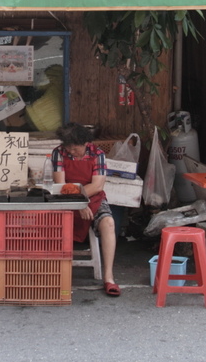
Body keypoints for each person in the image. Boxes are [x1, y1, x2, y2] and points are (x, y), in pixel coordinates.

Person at [51, 122, 120, 297]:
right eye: (68, 149)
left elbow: (97, 186)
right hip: (67, 199)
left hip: (94, 199)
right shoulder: (58, 153)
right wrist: (78, 203)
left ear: (85, 144)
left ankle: (109, 277)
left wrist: (83, 201)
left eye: (74, 149)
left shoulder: (98, 154)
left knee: (109, 223)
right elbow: (61, 186)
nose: (71, 152)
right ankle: (55, 274)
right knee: (51, 224)